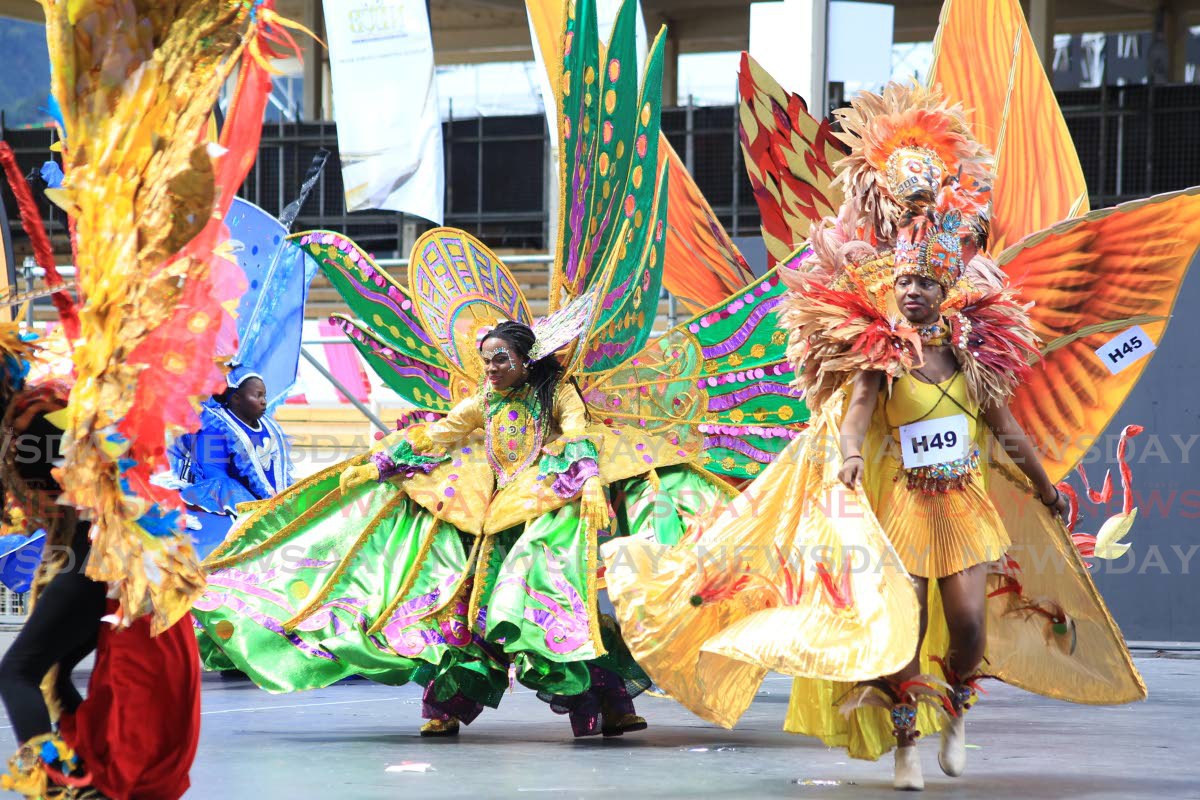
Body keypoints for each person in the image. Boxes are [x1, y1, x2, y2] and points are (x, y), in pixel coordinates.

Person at [602, 82, 1146, 792]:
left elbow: (1005, 426)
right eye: (906, 282)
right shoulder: (876, 331)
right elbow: (855, 401)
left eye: (926, 282)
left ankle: (955, 707)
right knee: (900, 626)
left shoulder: (975, 339)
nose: (915, 287)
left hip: (965, 501)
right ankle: (903, 742)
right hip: (900, 498)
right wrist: (850, 452)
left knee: (970, 629)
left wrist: (1046, 489)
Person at [193, 316, 729, 738]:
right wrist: (378, 464)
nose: (492, 369)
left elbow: (579, 432)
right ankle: (444, 709)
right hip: (492, 521)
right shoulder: (486, 400)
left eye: (501, 359)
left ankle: (608, 708)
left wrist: (588, 480)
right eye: (487, 360)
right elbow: (441, 432)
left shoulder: (557, 395)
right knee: (467, 608)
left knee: (556, 611)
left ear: (526, 360)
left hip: (546, 520)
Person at [166, 367, 293, 560]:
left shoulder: (268, 425)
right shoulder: (214, 426)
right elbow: (214, 474)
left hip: (261, 499)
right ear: (236, 399)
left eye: (264, 396)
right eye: (257, 395)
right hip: (219, 497)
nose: (264, 401)